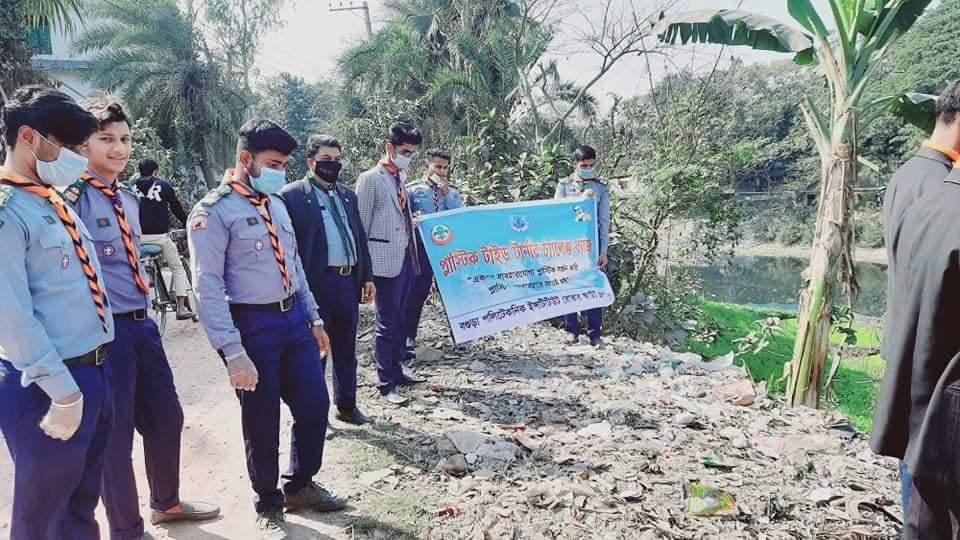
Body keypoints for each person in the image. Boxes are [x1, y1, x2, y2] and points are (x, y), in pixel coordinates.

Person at [66, 98, 219, 539]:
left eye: (126, 139)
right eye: (106, 139)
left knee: (166, 415)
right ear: (83, 144)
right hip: (104, 330)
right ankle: (126, 528)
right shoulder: (70, 199)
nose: (119, 149)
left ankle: (166, 503)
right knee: (114, 437)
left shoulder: (128, 198)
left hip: (141, 322)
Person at [188, 119, 344, 539]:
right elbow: (207, 288)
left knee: (314, 405)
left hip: (294, 319)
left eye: (285, 164)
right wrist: (232, 352)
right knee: (261, 418)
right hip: (252, 325)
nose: (281, 171)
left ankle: (300, 484)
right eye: (273, 163)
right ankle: (268, 502)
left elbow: (293, 266)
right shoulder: (212, 213)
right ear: (245, 159)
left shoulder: (275, 203)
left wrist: (313, 318)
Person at [0, 85, 114, 539]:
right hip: (47, 386)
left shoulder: (51, 199)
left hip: (94, 373)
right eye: (66, 146)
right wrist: (63, 393)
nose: (74, 157)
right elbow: (10, 316)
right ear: (29, 136)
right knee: (42, 514)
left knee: (80, 505)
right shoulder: (8, 212)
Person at [875, 80, 960, 515]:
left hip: (908, 337)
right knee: (924, 484)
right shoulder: (941, 185)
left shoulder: (909, 172)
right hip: (929, 353)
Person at [278, 135, 376, 426]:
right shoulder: (292, 196)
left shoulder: (348, 195)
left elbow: (359, 236)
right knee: (314, 352)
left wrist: (366, 276)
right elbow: (289, 247)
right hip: (315, 285)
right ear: (311, 162)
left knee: (346, 349)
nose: (333, 165)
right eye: (326, 160)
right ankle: (315, 416)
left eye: (336, 159)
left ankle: (346, 405)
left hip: (347, 283)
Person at [356, 121, 424, 405]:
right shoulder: (370, 179)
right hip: (383, 263)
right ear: (389, 147)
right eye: (404, 151)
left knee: (399, 320)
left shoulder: (401, 177)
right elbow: (360, 227)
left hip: (406, 258)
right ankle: (385, 382)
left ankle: (397, 370)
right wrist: (365, 273)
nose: (408, 156)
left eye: (412, 152)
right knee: (385, 324)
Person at [402, 149, 463, 359]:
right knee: (417, 293)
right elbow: (403, 215)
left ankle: (461, 335)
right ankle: (408, 335)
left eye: (445, 167)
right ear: (426, 166)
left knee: (453, 293)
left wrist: (447, 195)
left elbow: (460, 216)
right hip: (422, 251)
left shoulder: (453, 192)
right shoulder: (413, 190)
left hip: (447, 252)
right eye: (438, 167)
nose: (442, 171)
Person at [554, 144, 610, 348]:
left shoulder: (600, 188)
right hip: (568, 244)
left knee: (592, 285)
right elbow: (555, 213)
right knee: (570, 284)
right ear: (575, 164)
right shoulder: (564, 185)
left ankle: (595, 333)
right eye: (583, 164)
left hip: (592, 244)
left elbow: (604, 221)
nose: (587, 167)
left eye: (591, 165)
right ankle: (571, 330)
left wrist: (604, 250)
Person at [132, 158, 194, 320]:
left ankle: (146, 277)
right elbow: (176, 208)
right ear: (156, 171)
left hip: (136, 239)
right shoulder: (164, 186)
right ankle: (180, 308)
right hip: (160, 237)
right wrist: (187, 223)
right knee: (177, 268)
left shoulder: (129, 187)